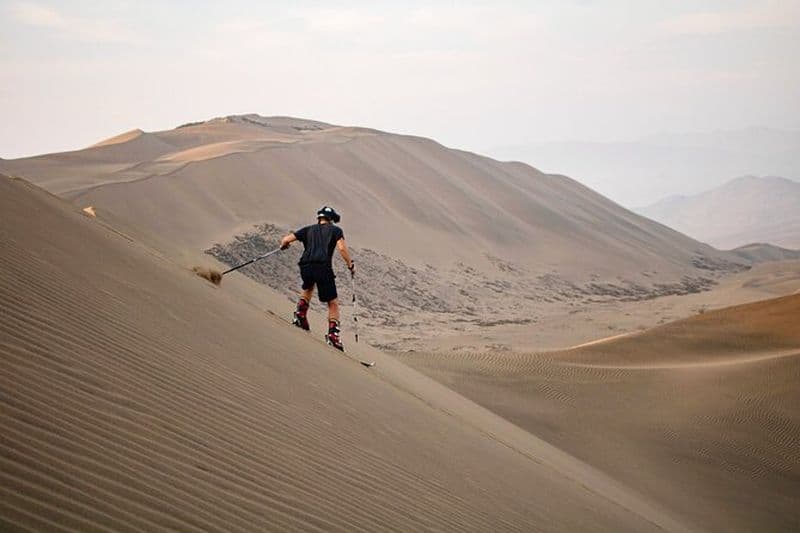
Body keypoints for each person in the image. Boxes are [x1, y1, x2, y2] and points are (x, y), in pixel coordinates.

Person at [280, 206, 354, 351]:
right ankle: (333, 336)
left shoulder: (308, 229)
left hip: (305, 266)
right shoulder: (335, 231)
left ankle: (300, 315)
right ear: (331, 219)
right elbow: (342, 248)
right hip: (323, 267)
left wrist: (284, 245)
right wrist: (350, 265)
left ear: (319, 218)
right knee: (332, 302)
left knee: (308, 287)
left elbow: (286, 239)